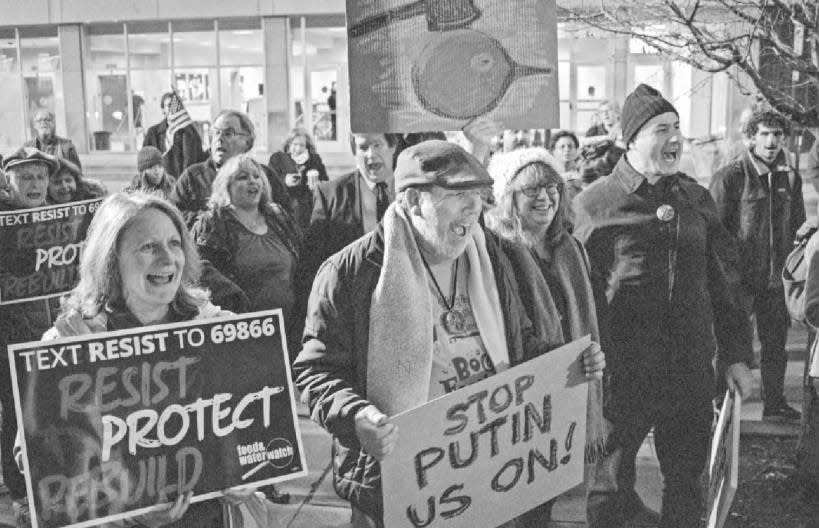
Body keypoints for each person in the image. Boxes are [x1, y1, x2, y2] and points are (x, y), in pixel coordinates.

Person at [293, 140, 605, 528]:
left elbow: (520, 341)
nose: (474, 207)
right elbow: (316, 371)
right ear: (411, 201)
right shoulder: (350, 272)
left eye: (477, 194)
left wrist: (566, 361)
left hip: (489, 468)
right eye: (458, 194)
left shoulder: (490, 253)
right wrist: (357, 418)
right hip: (404, 484)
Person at [15, 191, 261, 527]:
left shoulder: (220, 331)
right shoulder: (68, 345)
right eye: (148, 247)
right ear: (111, 258)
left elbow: (259, 432)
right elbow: (36, 459)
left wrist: (248, 474)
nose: (167, 259)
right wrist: (123, 510)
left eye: (174, 244)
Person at [573, 84, 754, 528]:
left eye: (677, 128)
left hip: (688, 370)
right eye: (661, 129)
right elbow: (571, 293)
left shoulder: (696, 200)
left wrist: (735, 356)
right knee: (611, 485)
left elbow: (724, 282)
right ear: (632, 139)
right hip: (623, 372)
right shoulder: (593, 204)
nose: (675, 138)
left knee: (686, 480)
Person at [484, 147, 609, 525]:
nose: (545, 197)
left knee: (553, 498)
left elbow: (591, 321)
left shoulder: (571, 249)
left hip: (571, 387)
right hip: (521, 392)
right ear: (509, 199)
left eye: (552, 186)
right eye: (531, 190)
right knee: (520, 502)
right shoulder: (496, 251)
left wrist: (593, 357)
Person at [710, 110, 806, 422]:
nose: (771, 141)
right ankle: (720, 406)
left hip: (776, 281)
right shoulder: (730, 177)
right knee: (730, 345)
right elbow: (716, 232)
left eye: (777, 135)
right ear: (751, 138)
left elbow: (798, 228)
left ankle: (774, 404)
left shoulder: (790, 178)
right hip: (739, 282)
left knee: (775, 346)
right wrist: (725, 277)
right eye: (764, 134)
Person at [0, 148, 60, 526]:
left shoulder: (61, 221)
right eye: (26, 177)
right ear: (9, 181)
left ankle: (52, 484)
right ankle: (21, 490)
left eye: (40, 176)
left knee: (51, 411)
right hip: (11, 335)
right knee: (18, 413)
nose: (35, 184)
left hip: (52, 332)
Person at [192, 153, 302, 348]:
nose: (253, 182)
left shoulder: (278, 217)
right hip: (239, 338)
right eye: (243, 177)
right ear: (226, 185)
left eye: (256, 176)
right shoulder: (211, 225)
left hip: (290, 331)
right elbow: (200, 276)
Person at [302, 133, 399, 279]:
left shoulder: (412, 192)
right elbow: (312, 264)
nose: (371, 154)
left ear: (393, 147)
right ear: (354, 152)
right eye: (363, 147)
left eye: (377, 145)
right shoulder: (329, 195)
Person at [170, 109, 289, 227]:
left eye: (228, 133)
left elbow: (287, 216)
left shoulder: (264, 175)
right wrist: (209, 218)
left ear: (247, 142)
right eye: (216, 133)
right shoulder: (192, 177)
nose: (219, 139)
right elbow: (172, 214)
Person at [268, 127, 328, 230]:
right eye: (295, 145)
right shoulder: (278, 158)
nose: (298, 149)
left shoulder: (314, 159)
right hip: (285, 201)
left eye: (302, 145)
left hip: (309, 201)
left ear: (307, 147)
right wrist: (284, 180)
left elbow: (326, 181)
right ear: (288, 145)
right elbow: (269, 180)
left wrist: (318, 184)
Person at [143, 92, 206, 178]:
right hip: (162, 185)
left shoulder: (191, 133)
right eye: (169, 105)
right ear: (163, 110)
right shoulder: (153, 133)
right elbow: (144, 162)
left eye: (176, 105)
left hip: (187, 184)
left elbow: (200, 162)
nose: (173, 109)